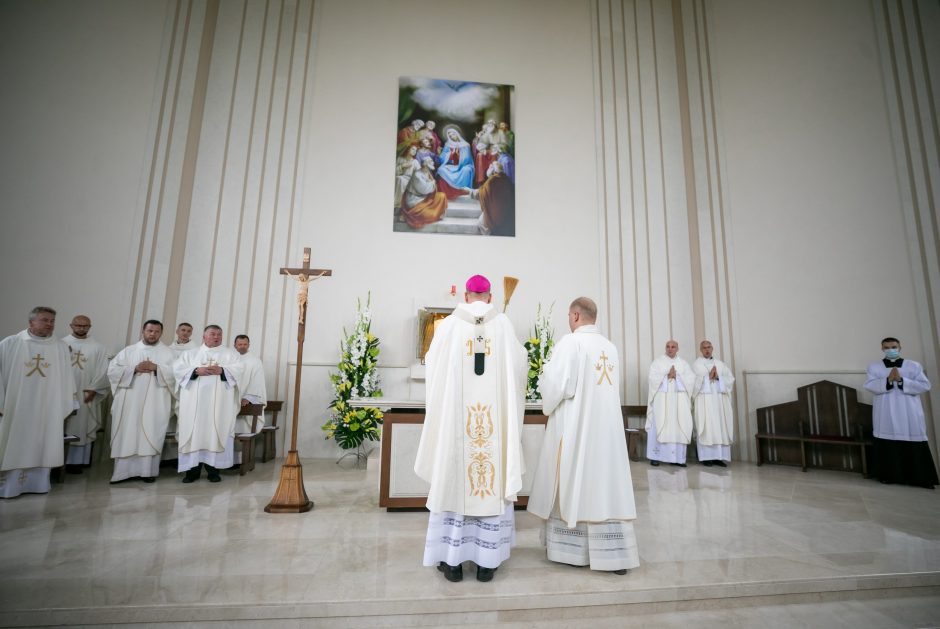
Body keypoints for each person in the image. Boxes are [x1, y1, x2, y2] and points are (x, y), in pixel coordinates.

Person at [415, 274, 527, 583]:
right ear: (489, 297)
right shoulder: (503, 325)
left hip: (456, 426)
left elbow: (433, 365)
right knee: (490, 481)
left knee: (453, 482)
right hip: (492, 427)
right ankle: (486, 563)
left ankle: (451, 562)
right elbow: (520, 367)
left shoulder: (449, 325)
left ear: (466, 295)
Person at [527, 297, 640, 574]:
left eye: (569, 315)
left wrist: (545, 393)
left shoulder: (571, 342)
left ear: (576, 316)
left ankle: (572, 552)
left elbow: (557, 386)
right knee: (605, 486)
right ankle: (611, 556)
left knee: (574, 478)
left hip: (577, 429)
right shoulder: (610, 348)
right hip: (607, 434)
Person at [0, 307, 77, 498]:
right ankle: (9, 486)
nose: (50, 324)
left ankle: (39, 483)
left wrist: (64, 403)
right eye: (45, 320)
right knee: (14, 441)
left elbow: (66, 379)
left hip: (47, 408)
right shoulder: (10, 344)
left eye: (52, 321)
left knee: (43, 442)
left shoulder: (59, 347)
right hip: (15, 407)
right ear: (31, 322)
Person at [107, 320, 176, 483]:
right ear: (143, 331)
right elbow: (112, 371)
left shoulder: (168, 353)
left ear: (161, 333)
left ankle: (147, 472)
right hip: (130, 401)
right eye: (150, 331)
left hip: (156, 401)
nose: (153, 334)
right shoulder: (128, 351)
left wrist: (157, 368)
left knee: (151, 432)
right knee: (127, 433)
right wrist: (134, 369)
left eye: (156, 331)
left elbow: (176, 375)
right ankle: (121, 473)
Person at [174, 325, 244, 483]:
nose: (216, 337)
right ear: (204, 337)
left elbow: (240, 370)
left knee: (215, 431)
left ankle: (214, 470)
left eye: (219, 334)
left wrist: (223, 371)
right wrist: (195, 371)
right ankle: (192, 471)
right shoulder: (190, 354)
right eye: (212, 334)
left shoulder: (230, 355)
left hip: (220, 406)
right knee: (194, 433)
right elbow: (177, 370)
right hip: (194, 407)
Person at [864, 337, 937, 488]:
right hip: (885, 410)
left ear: (900, 347)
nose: (891, 350)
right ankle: (888, 475)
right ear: (882, 349)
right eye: (887, 347)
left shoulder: (913, 366)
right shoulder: (874, 367)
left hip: (908, 409)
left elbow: (925, 385)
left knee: (913, 438)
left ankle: (918, 478)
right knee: (887, 440)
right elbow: (870, 385)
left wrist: (903, 380)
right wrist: (888, 381)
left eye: (894, 346)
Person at [61, 314, 110, 472]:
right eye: (78, 325)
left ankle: (78, 462)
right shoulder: (61, 344)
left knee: (82, 425)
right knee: (62, 425)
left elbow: (103, 371)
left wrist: (94, 389)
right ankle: (58, 461)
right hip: (63, 393)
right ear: (71, 325)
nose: (81, 328)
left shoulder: (98, 347)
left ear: (89, 327)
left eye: (85, 326)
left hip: (85, 394)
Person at [646, 340, 694, 467]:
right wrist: (666, 376)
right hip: (662, 401)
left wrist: (677, 377)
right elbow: (652, 379)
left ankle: (677, 458)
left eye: (673, 347)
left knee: (679, 424)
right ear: (665, 348)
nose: (670, 349)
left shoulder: (683, 364)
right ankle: (656, 456)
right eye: (668, 346)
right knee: (659, 423)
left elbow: (691, 380)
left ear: (677, 348)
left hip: (679, 401)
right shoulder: (658, 362)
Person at [691, 340, 734, 467]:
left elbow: (730, 379)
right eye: (704, 348)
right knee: (706, 427)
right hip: (704, 402)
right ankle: (706, 457)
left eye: (709, 347)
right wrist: (707, 378)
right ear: (700, 350)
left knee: (719, 427)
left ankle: (718, 457)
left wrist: (718, 378)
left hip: (719, 402)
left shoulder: (720, 364)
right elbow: (692, 383)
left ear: (712, 348)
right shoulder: (696, 365)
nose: (707, 350)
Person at [233, 335, 267, 465]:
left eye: (245, 344)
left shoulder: (255, 361)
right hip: (229, 401)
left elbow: (257, 381)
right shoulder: (229, 359)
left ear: (249, 345)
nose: (242, 346)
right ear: (235, 345)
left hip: (246, 403)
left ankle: (242, 462)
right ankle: (226, 461)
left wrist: (248, 397)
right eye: (239, 344)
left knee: (243, 429)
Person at [463, 161, 515, 237]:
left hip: (495, 219)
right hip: (507, 218)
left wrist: (468, 191)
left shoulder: (491, 181)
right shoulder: (506, 180)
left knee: (481, 223)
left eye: (490, 167)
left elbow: (480, 194)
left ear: (493, 171)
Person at [401, 157, 448, 229]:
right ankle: (415, 214)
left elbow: (431, 188)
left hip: (425, 198)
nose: (433, 163)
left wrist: (432, 182)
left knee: (442, 196)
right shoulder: (417, 174)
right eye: (431, 161)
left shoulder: (427, 172)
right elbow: (424, 189)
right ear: (426, 164)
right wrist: (433, 182)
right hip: (415, 201)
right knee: (431, 215)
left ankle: (436, 212)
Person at [436, 127, 474, 199]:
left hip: (464, 165)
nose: (452, 136)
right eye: (450, 136)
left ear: (457, 134)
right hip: (452, 166)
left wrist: (458, 154)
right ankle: (448, 192)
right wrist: (450, 154)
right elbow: (442, 159)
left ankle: (463, 191)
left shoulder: (465, 145)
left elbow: (467, 158)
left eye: (453, 134)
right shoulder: (448, 145)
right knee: (441, 169)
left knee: (466, 170)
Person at [394, 144, 421, 210]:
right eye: (413, 149)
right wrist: (402, 166)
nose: (414, 151)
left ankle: (398, 204)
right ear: (408, 149)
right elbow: (393, 172)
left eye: (416, 150)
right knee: (399, 179)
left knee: (400, 179)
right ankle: (397, 204)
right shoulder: (400, 159)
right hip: (400, 178)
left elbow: (418, 174)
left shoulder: (415, 162)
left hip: (410, 180)